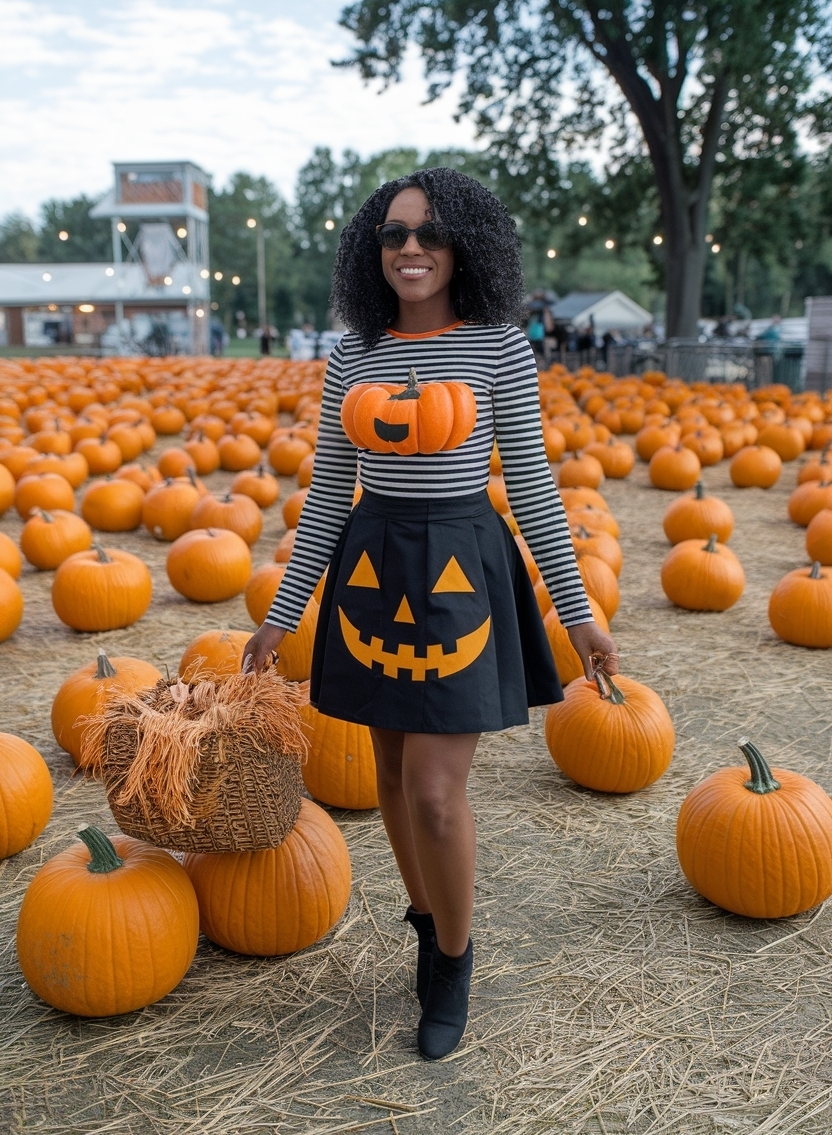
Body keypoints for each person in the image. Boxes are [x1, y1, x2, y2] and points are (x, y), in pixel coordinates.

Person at [243, 169, 618, 1060]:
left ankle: (452, 958)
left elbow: (532, 484)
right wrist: (283, 615)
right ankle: (424, 919)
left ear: (464, 247)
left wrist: (577, 614)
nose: (410, 248)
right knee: (387, 776)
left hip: (459, 569)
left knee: (435, 793)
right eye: (393, 234)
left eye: (430, 233)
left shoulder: (497, 348)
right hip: (373, 563)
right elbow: (328, 492)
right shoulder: (355, 356)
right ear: (370, 251)